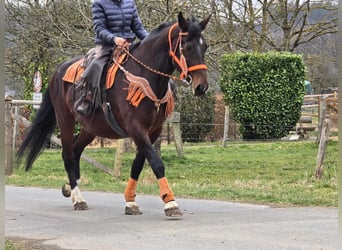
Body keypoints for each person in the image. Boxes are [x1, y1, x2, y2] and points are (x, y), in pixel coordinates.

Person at [76, 0, 149, 115]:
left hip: (128, 46)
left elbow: (138, 28)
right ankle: (87, 99)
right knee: (96, 64)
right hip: (107, 45)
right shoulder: (99, 3)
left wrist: (150, 40)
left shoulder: (129, 3)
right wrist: (114, 39)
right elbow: (99, 29)